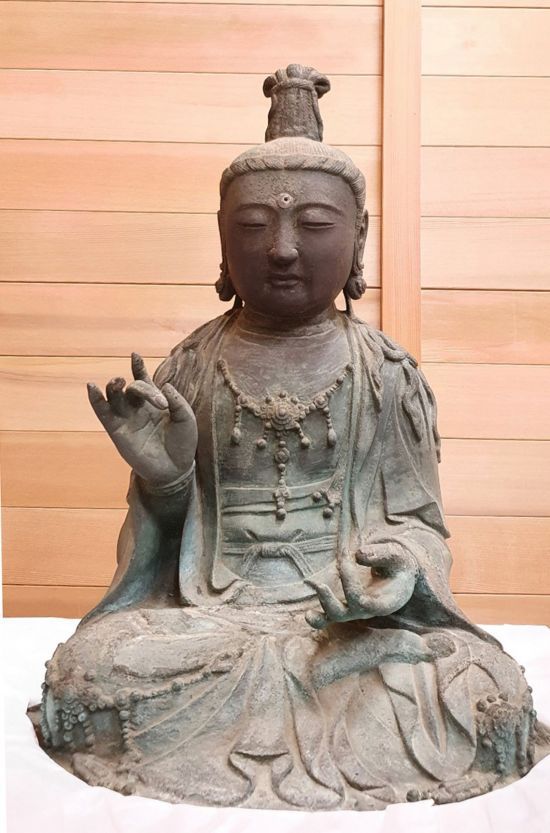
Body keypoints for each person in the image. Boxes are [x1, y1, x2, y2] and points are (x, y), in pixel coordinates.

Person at [38, 65, 543, 810]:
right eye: (252, 226)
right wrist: (165, 481)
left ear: (357, 239)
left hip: (347, 632)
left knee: (476, 688)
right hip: (209, 621)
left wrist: (398, 572)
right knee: (91, 672)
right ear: (223, 241)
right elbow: (159, 562)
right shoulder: (191, 367)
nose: (281, 249)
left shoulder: (385, 374)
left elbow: (418, 525)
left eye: (313, 225)